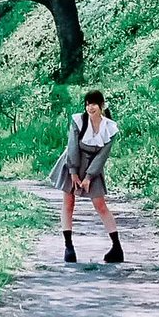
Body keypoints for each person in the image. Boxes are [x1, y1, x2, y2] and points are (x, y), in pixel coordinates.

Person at [49, 90, 124, 264]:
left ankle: (116, 247)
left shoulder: (110, 128)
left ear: (101, 106)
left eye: (94, 104)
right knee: (68, 202)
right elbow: (72, 147)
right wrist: (74, 172)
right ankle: (68, 247)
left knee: (100, 204)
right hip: (72, 163)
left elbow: (102, 156)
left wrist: (89, 176)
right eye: (87, 104)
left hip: (93, 167)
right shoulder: (78, 121)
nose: (90, 107)